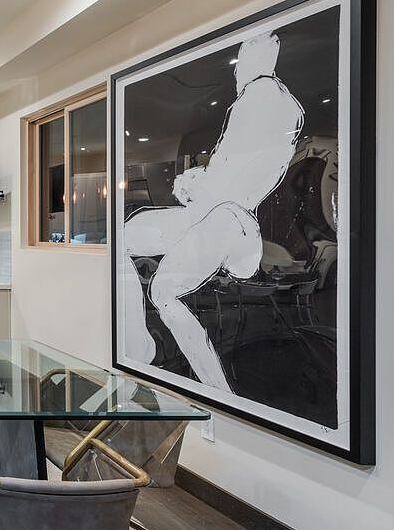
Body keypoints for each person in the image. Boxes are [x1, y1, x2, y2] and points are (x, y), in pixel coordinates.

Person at [121, 32, 305, 392]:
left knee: (163, 292)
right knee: (122, 240)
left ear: (261, 54)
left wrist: (195, 184)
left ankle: (217, 391)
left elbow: (232, 181)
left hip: (230, 219)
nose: (239, 67)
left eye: (245, 54)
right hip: (215, 214)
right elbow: (232, 169)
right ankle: (138, 348)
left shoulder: (263, 96)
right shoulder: (264, 101)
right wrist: (198, 181)